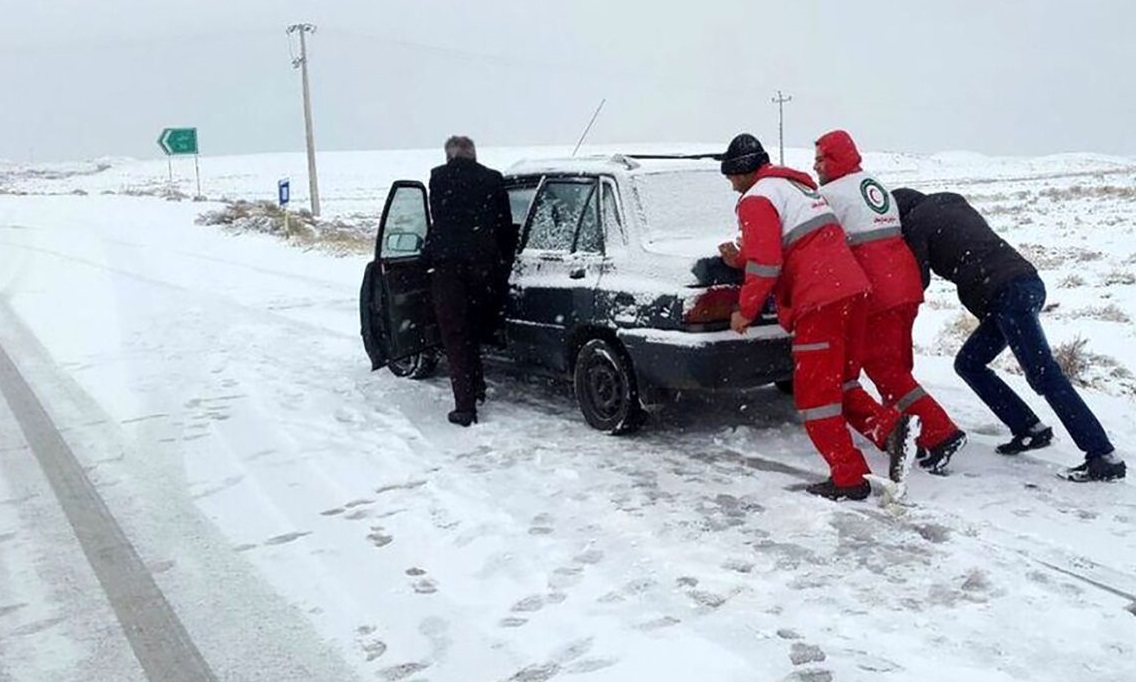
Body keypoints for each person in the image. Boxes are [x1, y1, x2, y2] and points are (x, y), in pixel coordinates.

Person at [718, 133, 914, 501]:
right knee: (841, 383)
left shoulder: (756, 199)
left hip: (819, 301)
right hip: (853, 291)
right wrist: (739, 258)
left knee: (815, 396)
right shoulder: (798, 189)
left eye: (730, 176)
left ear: (743, 172)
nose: (730, 185)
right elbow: (793, 244)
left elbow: (766, 264)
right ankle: (889, 430)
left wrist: (744, 312)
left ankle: (848, 478)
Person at [893, 188, 1126, 482]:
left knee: (1044, 374)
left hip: (1006, 294)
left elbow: (918, 279)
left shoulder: (916, 222)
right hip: (1024, 283)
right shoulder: (950, 201)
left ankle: (1103, 455)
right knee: (969, 363)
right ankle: (1029, 429)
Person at [814, 130, 966, 474]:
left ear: (836, 158)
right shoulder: (872, 184)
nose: (815, 165)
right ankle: (912, 431)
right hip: (905, 284)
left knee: (886, 370)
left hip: (878, 292)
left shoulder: (831, 194)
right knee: (898, 366)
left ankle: (941, 434)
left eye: (821, 158)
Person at [423, 136, 514, 427]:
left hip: (449, 268)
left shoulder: (438, 177)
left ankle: (466, 406)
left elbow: (439, 218)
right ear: (474, 155)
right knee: (474, 328)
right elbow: (504, 224)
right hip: (484, 267)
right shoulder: (493, 179)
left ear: (449, 156)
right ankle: (477, 387)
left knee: (455, 335)